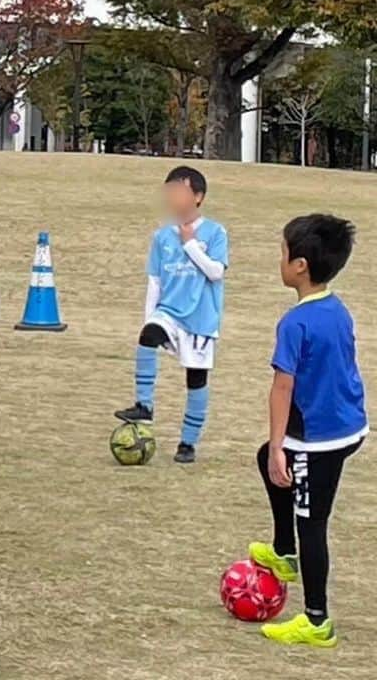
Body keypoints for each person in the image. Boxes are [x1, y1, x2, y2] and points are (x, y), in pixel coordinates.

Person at [248, 214, 367, 649]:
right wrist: (274, 452)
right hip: (348, 425)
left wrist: (282, 445)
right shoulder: (336, 309)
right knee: (266, 459)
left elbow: (283, 387)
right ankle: (284, 554)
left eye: (281, 253)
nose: (278, 260)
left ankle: (317, 620)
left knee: (311, 522)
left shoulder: (294, 323)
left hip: (319, 437)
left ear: (299, 265)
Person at [115, 166, 229, 464]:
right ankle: (144, 404)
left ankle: (188, 444)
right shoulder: (162, 236)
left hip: (201, 318)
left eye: (180, 191)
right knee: (148, 335)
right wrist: (148, 317)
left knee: (196, 379)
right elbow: (155, 281)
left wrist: (190, 243)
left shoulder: (215, 232)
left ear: (198, 197)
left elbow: (216, 272)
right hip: (169, 313)